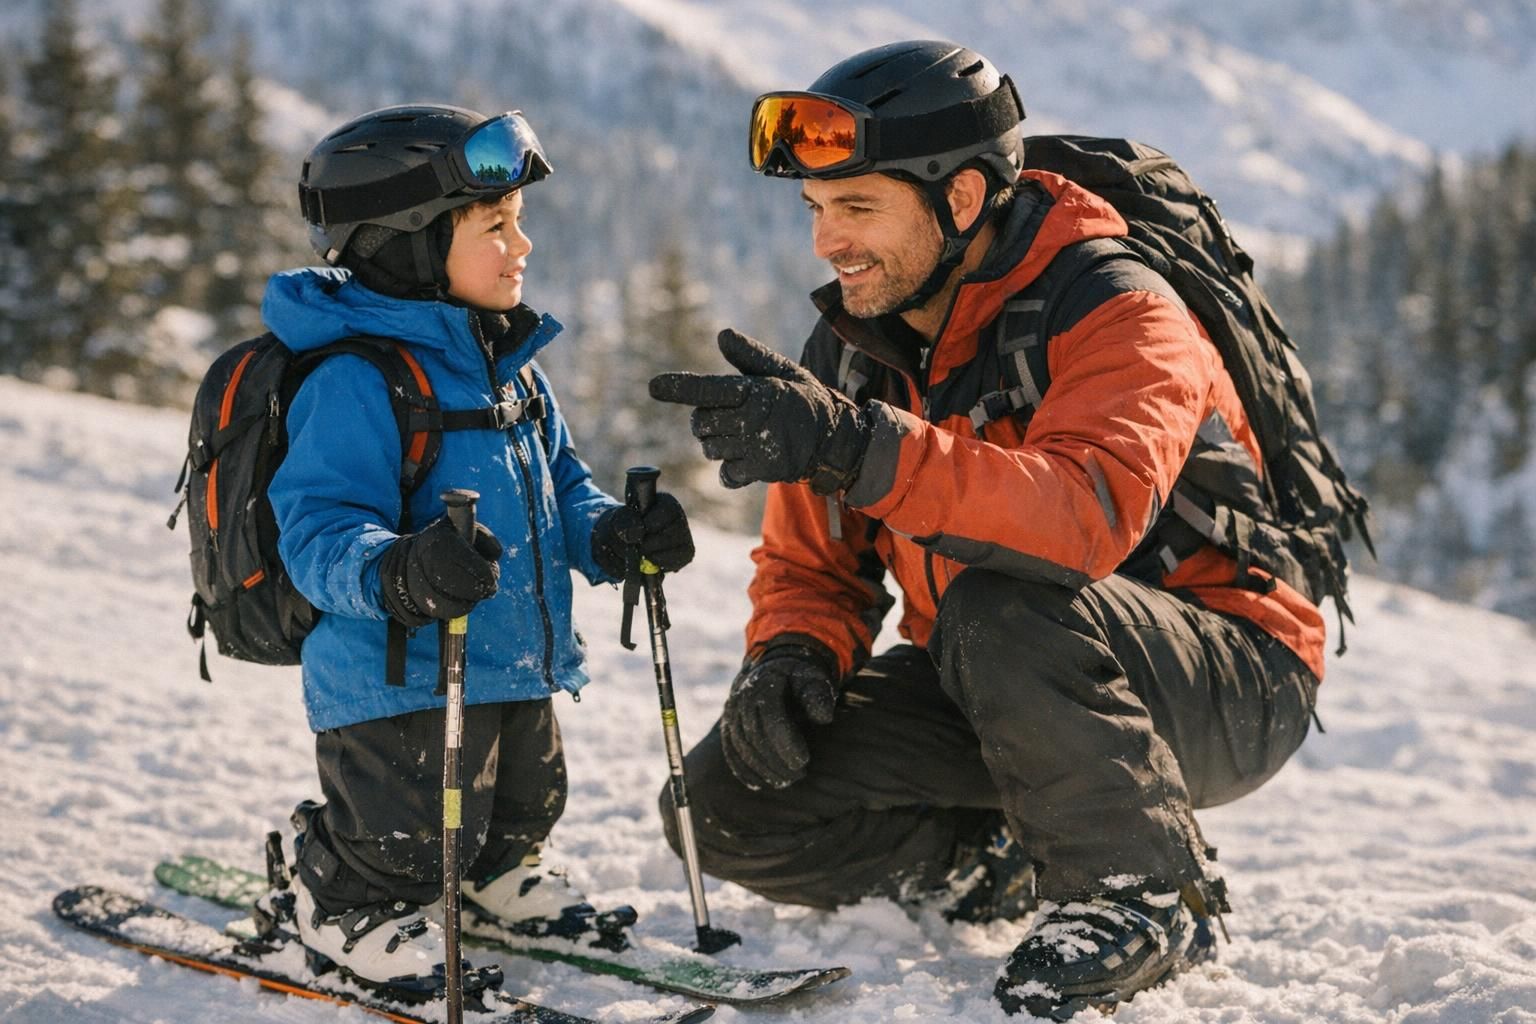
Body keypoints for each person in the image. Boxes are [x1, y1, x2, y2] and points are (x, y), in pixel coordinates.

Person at [650, 40, 1322, 1020]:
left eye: (857, 207)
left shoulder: (1119, 308)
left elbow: (1079, 517)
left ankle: (1142, 888)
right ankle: (991, 864)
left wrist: (861, 450)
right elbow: (814, 563)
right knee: (721, 804)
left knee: (996, 600)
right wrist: (792, 653)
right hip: (1001, 672)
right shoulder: (851, 350)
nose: (826, 243)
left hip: (1225, 672)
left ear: (962, 199)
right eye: (816, 210)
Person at [262, 104, 694, 996]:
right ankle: (343, 900)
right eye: (495, 226)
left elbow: (564, 489)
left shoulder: (512, 368)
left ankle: (495, 879)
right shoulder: (357, 377)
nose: (522, 246)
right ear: (410, 243)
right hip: (397, 675)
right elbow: (317, 530)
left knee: (525, 800)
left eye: (519, 223)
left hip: (512, 658)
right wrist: (398, 569)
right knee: (406, 833)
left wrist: (614, 534)